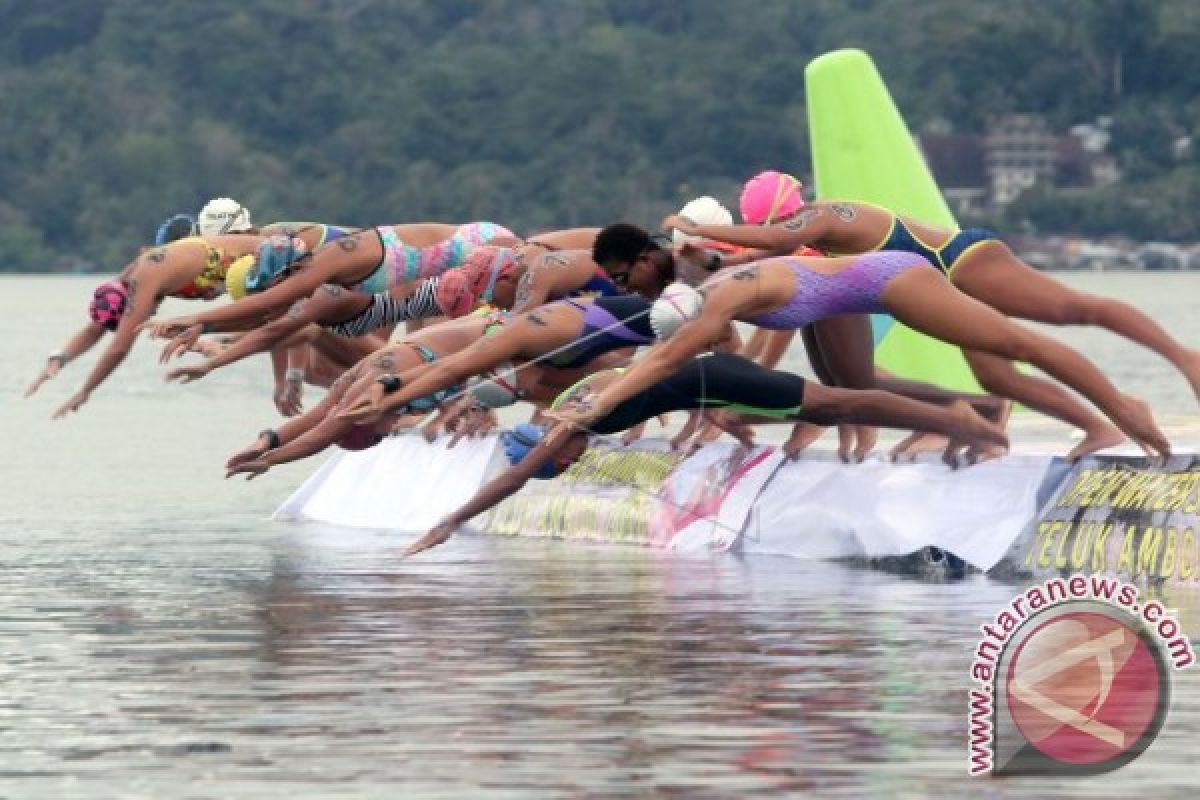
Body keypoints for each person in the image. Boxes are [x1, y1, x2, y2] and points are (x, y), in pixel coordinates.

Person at [663, 175, 1200, 440]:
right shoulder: (800, 244)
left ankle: (1179, 360)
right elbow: (757, 259)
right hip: (930, 293)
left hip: (958, 261)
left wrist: (697, 229)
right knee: (1003, 380)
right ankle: (1098, 428)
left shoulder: (822, 216)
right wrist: (691, 258)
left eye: (769, 223)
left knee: (1072, 310)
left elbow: (774, 243)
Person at [548, 254, 1170, 462]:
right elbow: (673, 364)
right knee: (855, 384)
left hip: (891, 279)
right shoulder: (705, 311)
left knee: (1016, 344)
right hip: (835, 299)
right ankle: (970, 413)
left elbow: (668, 366)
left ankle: (1119, 406)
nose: (698, 343)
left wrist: (598, 403)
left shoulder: (718, 301)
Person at [399, 352, 1010, 556]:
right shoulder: (567, 401)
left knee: (834, 404)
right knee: (830, 406)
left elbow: (514, 481)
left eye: (562, 463)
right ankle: (964, 412)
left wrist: (449, 522)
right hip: (708, 381)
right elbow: (624, 366)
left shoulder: (566, 424)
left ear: (560, 452)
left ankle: (960, 417)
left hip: (715, 378)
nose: (568, 463)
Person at [224, 314, 629, 478]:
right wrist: (267, 441)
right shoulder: (358, 392)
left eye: (383, 434)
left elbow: (321, 433)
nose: (391, 429)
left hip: (505, 335)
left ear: (370, 426)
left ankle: (639, 387)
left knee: (588, 374)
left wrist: (271, 461)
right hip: (488, 355)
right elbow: (314, 420)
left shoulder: (369, 393)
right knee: (559, 388)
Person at [335, 245, 677, 425]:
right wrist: (386, 390)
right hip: (619, 321)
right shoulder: (540, 356)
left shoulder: (519, 338)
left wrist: (387, 396)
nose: (528, 392)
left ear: (514, 374)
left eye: (519, 391)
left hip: (653, 307)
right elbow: (450, 368)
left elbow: (450, 369)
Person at [27, 230, 279, 418]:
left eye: (135, 314)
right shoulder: (122, 285)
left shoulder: (143, 278)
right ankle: (220, 345)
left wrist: (85, 392)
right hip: (260, 262)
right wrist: (59, 359)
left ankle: (285, 378)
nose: (149, 312)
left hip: (273, 255)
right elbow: (97, 328)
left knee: (287, 328)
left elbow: (119, 348)